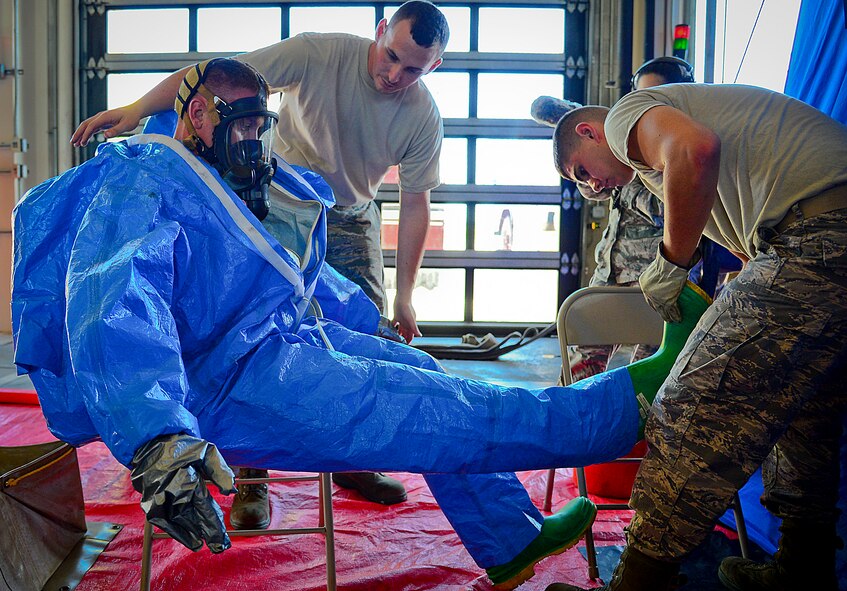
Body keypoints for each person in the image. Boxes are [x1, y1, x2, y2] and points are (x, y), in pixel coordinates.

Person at [18, 57, 711, 591]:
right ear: (198, 113)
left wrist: (368, 319)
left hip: (271, 344)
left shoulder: (219, 179)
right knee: (440, 409)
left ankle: (508, 536)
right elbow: (114, 311)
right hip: (214, 385)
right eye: (245, 126)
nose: (255, 139)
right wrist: (159, 441)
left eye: (262, 126)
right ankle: (623, 409)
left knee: (422, 371)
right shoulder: (142, 182)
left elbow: (287, 270)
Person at [71, 0, 449, 514]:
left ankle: (356, 457)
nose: (394, 75)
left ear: (434, 68)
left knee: (364, 334)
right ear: (380, 31)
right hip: (274, 200)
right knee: (260, 332)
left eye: (413, 70)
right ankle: (252, 479)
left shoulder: (422, 115)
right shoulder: (319, 53)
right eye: (391, 56)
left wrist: (406, 298)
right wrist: (137, 109)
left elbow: (415, 206)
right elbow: (213, 78)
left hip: (349, 214)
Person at [547, 82, 847, 591]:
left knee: (687, 404)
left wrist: (670, 263)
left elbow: (695, 148)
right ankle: (804, 569)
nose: (591, 188)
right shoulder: (663, 149)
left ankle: (638, 582)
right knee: (802, 409)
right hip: (823, 240)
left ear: (588, 132)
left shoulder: (623, 120)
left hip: (817, 239)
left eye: (581, 173)